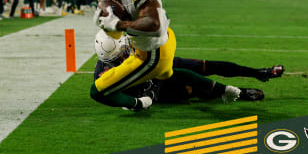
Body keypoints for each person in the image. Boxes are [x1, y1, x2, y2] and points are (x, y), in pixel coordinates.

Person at [89, 0, 176, 111]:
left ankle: (142, 103)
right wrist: (108, 26)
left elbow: (155, 25)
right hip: (142, 48)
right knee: (176, 73)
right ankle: (227, 90)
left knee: (98, 91)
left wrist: (118, 24)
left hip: (153, 52)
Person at [93, 30, 285, 104]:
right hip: (155, 85)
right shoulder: (108, 76)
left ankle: (259, 73)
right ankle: (240, 93)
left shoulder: (123, 44)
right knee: (194, 89)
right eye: (124, 50)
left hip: (153, 65)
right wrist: (140, 101)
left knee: (208, 66)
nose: (129, 48)